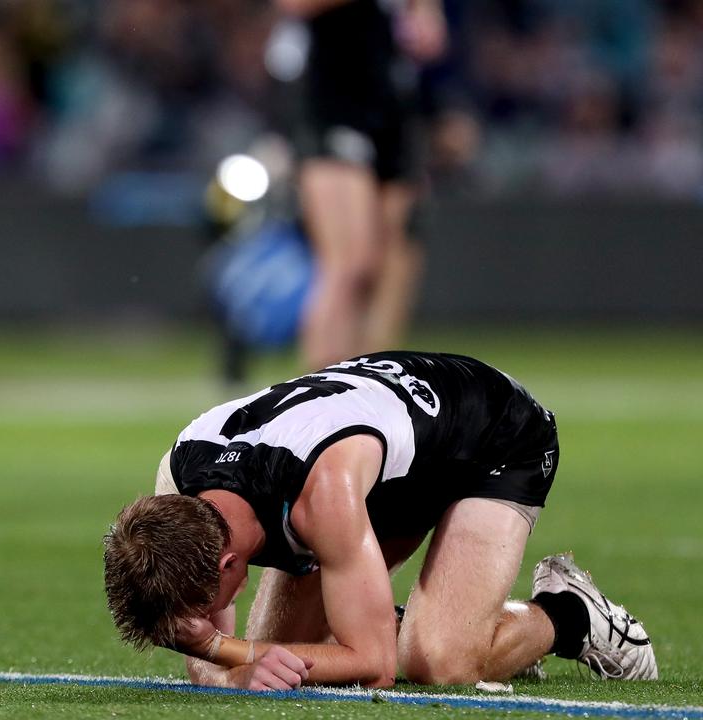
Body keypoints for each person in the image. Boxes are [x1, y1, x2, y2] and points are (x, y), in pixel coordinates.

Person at [104, 351, 657, 689]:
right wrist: (230, 660)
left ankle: (573, 614)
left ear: (227, 562)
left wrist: (231, 655)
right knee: (278, 664)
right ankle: (415, 612)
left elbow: (374, 667)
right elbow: (218, 667)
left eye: (200, 612)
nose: (200, 627)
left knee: (436, 660)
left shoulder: (324, 496)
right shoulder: (178, 485)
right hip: (383, 449)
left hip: (491, 435)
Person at [278, 0, 446, 369]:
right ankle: (316, 388)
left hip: (389, 102)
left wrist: (423, 14)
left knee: (393, 262)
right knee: (349, 262)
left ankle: (365, 381)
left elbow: (429, 33)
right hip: (334, 103)